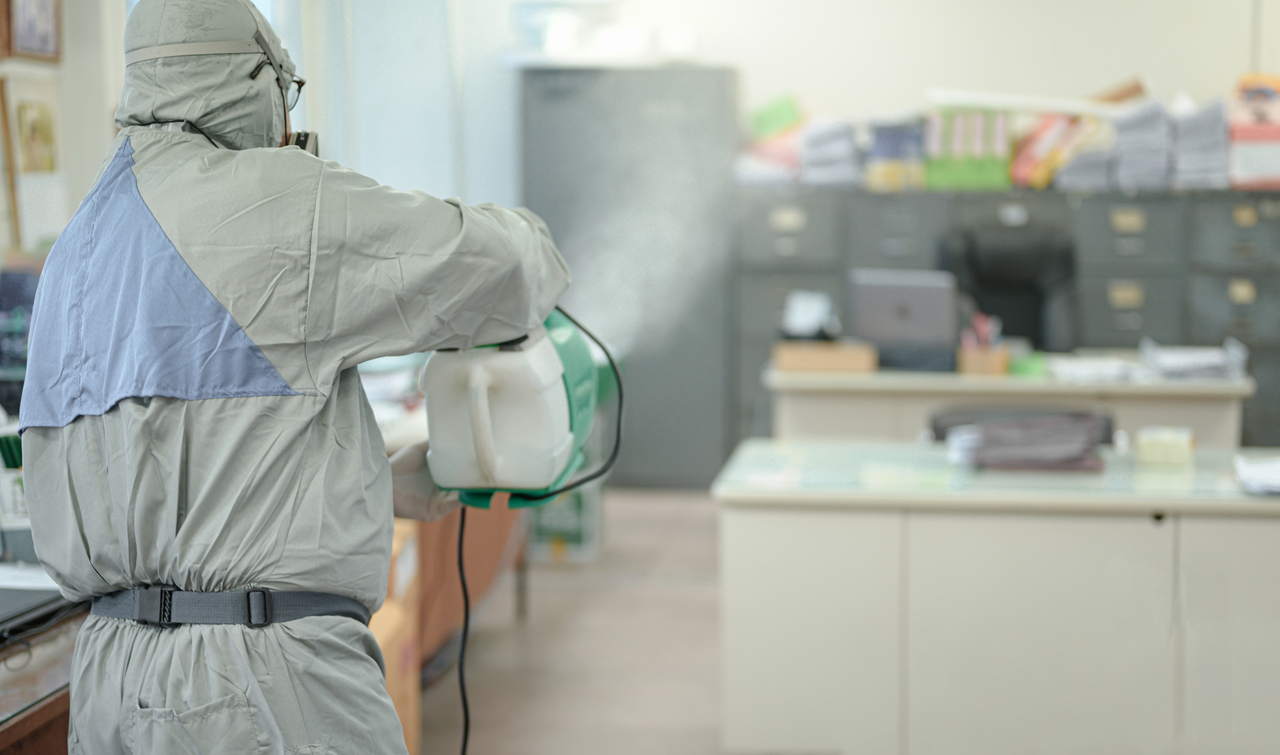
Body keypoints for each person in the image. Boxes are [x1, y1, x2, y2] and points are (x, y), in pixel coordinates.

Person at [18, 0, 569, 752]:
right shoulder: (277, 200)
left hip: (111, 678)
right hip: (262, 681)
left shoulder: (74, 250)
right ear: (259, 81)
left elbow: (166, 456)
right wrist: (538, 238)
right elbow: (503, 270)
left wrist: (367, 477)